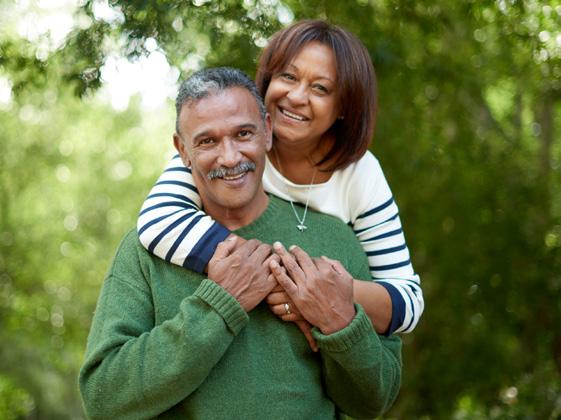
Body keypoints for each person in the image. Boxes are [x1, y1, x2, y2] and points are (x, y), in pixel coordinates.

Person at [79, 68, 402, 419]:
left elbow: (375, 400)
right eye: (207, 141)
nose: (230, 157)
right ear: (182, 150)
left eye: (243, 134)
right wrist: (219, 306)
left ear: (267, 131)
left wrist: (339, 322)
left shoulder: (334, 239)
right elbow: (103, 398)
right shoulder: (145, 251)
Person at [138, 20, 423, 336]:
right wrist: (280, 277)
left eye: (320, 88)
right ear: (269, 79)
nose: (297, 96)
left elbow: (408, 302)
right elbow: (158, 220)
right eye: (288, 76)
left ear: (343, 107)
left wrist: (322, 293)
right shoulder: (226, 148)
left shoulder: (359, 173)